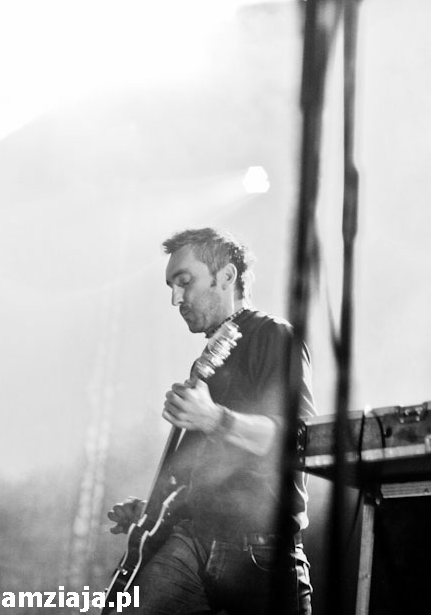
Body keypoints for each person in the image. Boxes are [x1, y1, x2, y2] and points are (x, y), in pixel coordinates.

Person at [107, 227, 315, 615]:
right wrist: (156, 510)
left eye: (185, 281)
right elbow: (206, 467)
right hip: (192, 537)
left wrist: (215, 418)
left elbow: (301, 440)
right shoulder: (207, 360)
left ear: (226, 276)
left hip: (260, 548)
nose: (175, 298)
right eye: (171, 286)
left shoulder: (273, 335)